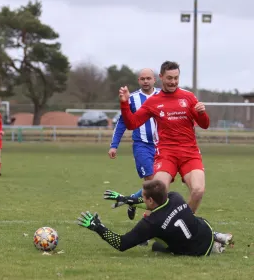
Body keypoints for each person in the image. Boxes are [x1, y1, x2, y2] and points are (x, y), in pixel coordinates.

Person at [109, 61, 210, 214]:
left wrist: (202, 113)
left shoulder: (188, 97)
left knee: (198, 191)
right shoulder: (154, 102)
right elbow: (132, 123)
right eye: (169, 78)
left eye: (176, 78)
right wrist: (124, 104)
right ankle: (150, 224)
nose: (173, 82)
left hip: (189, 154)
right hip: (166, 154)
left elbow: (204, 124)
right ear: (161, 77)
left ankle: (184, 222)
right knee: (156, 195)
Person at [78, 180, 233, 256]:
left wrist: (97, 226)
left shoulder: (151, 223)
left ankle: (215, 247)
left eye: (143, 197)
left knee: (156, 246)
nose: (142, 199)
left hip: (195, 252)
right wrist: (126, 199)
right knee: (190, 218)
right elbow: (154, 204)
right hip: (205, 230)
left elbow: (121, 243)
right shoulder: (175, 197)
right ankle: (217, 237)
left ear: (151, 200)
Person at [108, 68, 160, 220]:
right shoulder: (132, 99)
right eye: (142, 78)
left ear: (154, 80)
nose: (145, 81)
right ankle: (148, 223)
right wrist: (114, 145)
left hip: (162, 146)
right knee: (153, 184)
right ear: (138, 80)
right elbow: (122, 122)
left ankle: (131, 200)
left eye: (148, 78)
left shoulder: (162, 96)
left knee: (159, 185)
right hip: (141, 146)